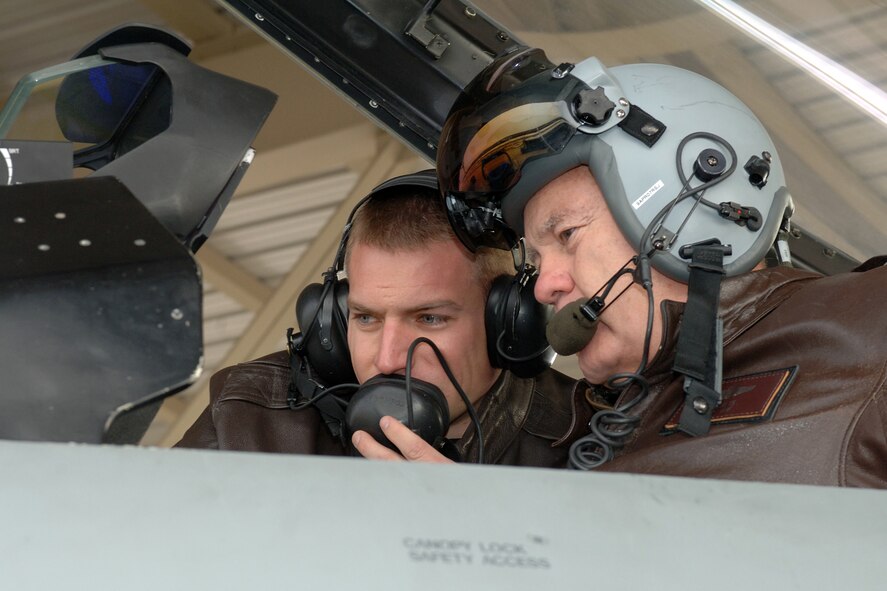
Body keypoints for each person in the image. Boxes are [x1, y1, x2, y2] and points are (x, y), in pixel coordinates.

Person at [435, 48, 887, 487]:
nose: (544, 287)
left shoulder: (870, 324)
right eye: (535, 261)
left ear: (690, 202)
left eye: (568, 235)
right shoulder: (603, 429)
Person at [176, 170, 576, 467]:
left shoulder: (585, 441)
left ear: (507, 322)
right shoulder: (246, 415)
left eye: (429, 319)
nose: (387, 360)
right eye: (366, 318)